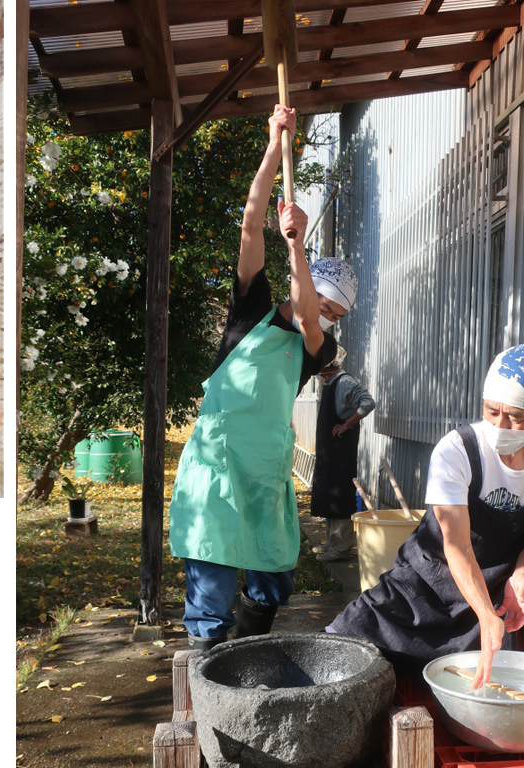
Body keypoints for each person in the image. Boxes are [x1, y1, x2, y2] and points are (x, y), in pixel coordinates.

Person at [327, 343, 524, 756]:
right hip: (427, 582)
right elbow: (455, 543)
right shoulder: (457, 450)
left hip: (502, 582)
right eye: (492, 410)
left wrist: (522, 578)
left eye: (515, 416)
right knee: (341, 644)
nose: (501, 423)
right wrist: (482, 614)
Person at [169, 104, 355, 652]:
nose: (324, 316)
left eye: (335, 314)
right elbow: (252, 222)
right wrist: (276, 144)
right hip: (216, 469)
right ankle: (212, 687)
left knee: (273, 584)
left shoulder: (316, 349)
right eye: (324, 304)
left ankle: (244, 665)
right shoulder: (249, 311)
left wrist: (297, 245)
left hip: (266, 476)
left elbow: (304, 309)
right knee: (211, 593)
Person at [311, 347, 377, 562]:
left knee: (339, 496)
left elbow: (368, 402)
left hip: (341, 453)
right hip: (328, 452)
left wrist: (347, 424)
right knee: (328, 495)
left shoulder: (344, 382)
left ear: (327, 365)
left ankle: (342, 548)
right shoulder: (331, 382)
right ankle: (332, 542)